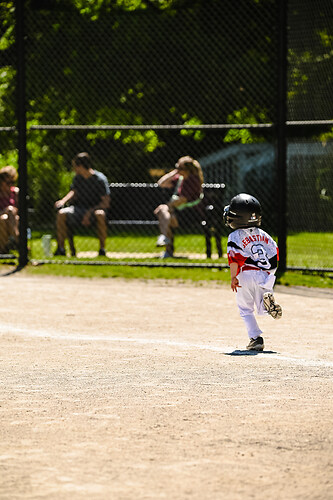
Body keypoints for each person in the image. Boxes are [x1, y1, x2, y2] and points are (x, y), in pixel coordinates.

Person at [223, 193, 282, 351]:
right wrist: (269, 276)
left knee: (245, 309)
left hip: (245, 275)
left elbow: (235, 259)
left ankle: (256, 338)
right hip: (265, 275)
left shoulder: (235, 235)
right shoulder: (265, 235)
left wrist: (233, 277)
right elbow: (274, 256)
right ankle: (266, 304)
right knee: (260, 300)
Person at [54, 152, 110, 256]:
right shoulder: (78, 178)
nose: (74, 169)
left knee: (100, 214)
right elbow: (73, 192)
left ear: (80, 166)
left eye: (75, 166)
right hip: (79, 209)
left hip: (95, 210)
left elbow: (105, 202)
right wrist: (63, 201)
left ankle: (102, 249)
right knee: (61, 213)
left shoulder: (99, 179)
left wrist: (89, 212)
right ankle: (61, 249)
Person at [154, 156, 204, 258]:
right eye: (177, 167)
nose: (178, 170)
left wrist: (168, 207)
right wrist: (173, 173)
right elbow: (161, 183)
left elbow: (182, 200)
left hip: (190, 214)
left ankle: (166, 245)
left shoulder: (193, 180)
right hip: (179, 212)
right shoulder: (180, 178)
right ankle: (165, 241)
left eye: (180, 168)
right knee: (166, 215)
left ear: (187, 170)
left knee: (163, 211)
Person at [0, 166, 19, 253]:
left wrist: (10, 210)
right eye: (8, 182)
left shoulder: (15, 192)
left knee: (10, 212)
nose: (11, 185)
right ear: (1, 182)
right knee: (3, 218)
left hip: (14, 217)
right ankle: (17, 240)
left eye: (13, 182)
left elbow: (20, 209)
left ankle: (4, 250)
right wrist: (5, 211)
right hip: (1, 216)